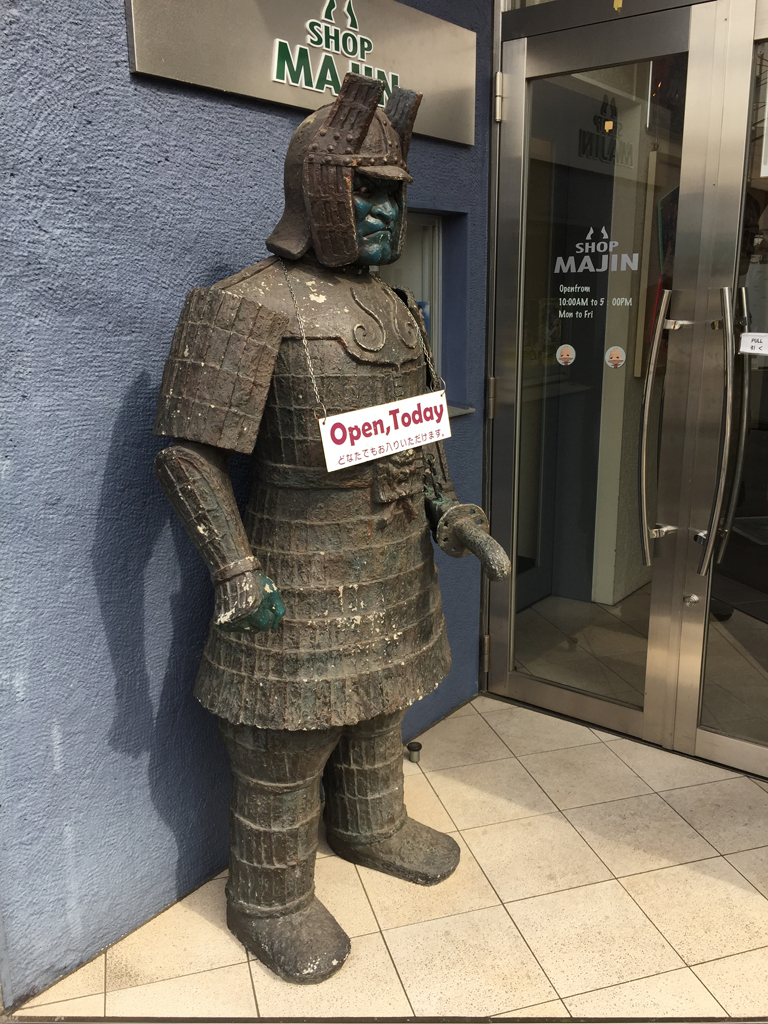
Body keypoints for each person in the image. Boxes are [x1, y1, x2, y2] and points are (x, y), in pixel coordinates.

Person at [152, 73, 510, 985]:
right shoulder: (248, 302)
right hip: (295, 572)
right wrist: (237, 568)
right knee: (285, 743)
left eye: (395, 193)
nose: (388, 211)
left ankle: (370, 822)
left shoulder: (393, 307)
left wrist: (449, 510)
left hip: (391, 569)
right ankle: (268, 898)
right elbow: (188, 451)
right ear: (318, 191)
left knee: (381, 711)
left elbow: (415, 429)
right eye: (368, 191)